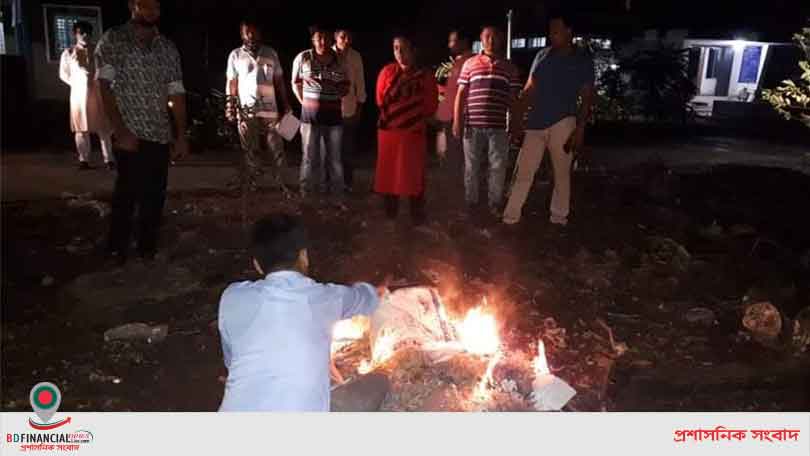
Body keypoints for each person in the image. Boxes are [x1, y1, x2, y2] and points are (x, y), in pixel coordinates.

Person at [218, 214, 387, 411]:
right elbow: (365, 299)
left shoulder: (232, 297)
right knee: (379, 380)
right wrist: (377, 290)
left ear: (256, 264)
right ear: (304, 256)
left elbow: (231, 361)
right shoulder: (323, 297)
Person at [96, 0, 188, 263]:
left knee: (154, 197)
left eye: (156, 7)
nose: (151, 12)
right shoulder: (114, 40)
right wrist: (120, 130)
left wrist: (181, 134)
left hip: (159, 134)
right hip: (130, 134)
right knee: (126, 194)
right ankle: (117, 249)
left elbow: (177, 92)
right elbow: (104, 87)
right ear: (132, 6)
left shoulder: (167, 47)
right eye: (145, 6)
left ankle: (147, 248)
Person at [502, 11, 594, 227]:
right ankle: (510, 218)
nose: (551, 35)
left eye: (556, 31)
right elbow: (529, 89)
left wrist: (580, 129)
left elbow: (587, 96)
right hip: (535, 122)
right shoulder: (543, 55)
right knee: (524, 170)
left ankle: (559, 219)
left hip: (564, 121)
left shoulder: (581, 60)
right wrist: (517, 117)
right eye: (550, 31)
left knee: (561, 174)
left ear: (569, 32)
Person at [453, 26, 521, 218]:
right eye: (487, 36)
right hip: (472, 126)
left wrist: (515, 125)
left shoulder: (509, 67)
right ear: (481, 39)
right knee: (471, 167)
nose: (491, 40)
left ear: (500, 40)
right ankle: (471, 203)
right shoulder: (470, 64)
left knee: (498, 167)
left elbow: (514, 98)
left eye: (495, 36)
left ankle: (495, 203)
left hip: (498, 127)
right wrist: (457, 121)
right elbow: (461, 94)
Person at [374, 35, 438, 224]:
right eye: (395, 48)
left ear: (413, 50)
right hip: (390, 131)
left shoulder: (425, 75)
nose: (399, 53)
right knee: (390, 174)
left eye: (403, 48)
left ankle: (416, 213)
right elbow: (379, 100)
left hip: (413, 132)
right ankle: (390, 212)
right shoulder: (387, 71)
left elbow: (430, 105)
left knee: (414, 174)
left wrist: (410, 117)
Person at [225, 18, 292, 192]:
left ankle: (282, 183)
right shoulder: (235, 55)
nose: (250, 34)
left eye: (254, 31)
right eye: (247, 31)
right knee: (250, 147)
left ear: (260, 33)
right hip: (245, 109)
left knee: (276, 145)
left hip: (269, 107)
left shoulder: (271, 53)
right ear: (241, 34)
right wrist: (230, 106)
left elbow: (279, 81)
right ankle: (253, 184)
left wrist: (286, 105)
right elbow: (232, 83)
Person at [292, 26, 350, 197]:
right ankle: (306, 192)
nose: (322, 42)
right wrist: (304, 102)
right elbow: (295, 83)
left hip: (334, 119)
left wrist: (338, 91)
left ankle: (336, 193)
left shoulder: (339, 60)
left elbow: (346, 85)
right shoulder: (303, 57)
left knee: (335, 159)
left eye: (325, 38)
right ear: (313, 40)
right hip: (310, 118)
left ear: (331, 40)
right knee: (309, 158)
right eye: (319, 38)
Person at [59, 21, 114, 170]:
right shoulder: (68, 52)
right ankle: (84, 160)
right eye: (81, 32)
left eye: (87, 33)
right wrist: (78, 84)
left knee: (104, 127)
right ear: (75, 34)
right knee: (81, 128)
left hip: (97, 92)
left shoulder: (99, 51)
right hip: (79, 95)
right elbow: (64, 74)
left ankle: (109, 159)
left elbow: (108, 70)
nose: (84, 35)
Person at [435, 29, 473, 179]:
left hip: (457, 118)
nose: (450, 45)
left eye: (453, 41)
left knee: (456, 158)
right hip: (451, 117)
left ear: (464, 42)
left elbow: (457, 95)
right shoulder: (458, 62)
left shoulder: (468, 62)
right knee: (452, 157)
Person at [333, 28, 366, 192]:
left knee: (347, 149)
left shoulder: (355, 56)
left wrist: (360, 107)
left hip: (349, 108)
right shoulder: (327, 55)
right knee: (331, 148)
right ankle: (331, 182)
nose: (346, 40)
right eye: (342, 36)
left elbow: (360, 83)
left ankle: (347, 183)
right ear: (336, 38)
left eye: (349, 37)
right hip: (329, 109)